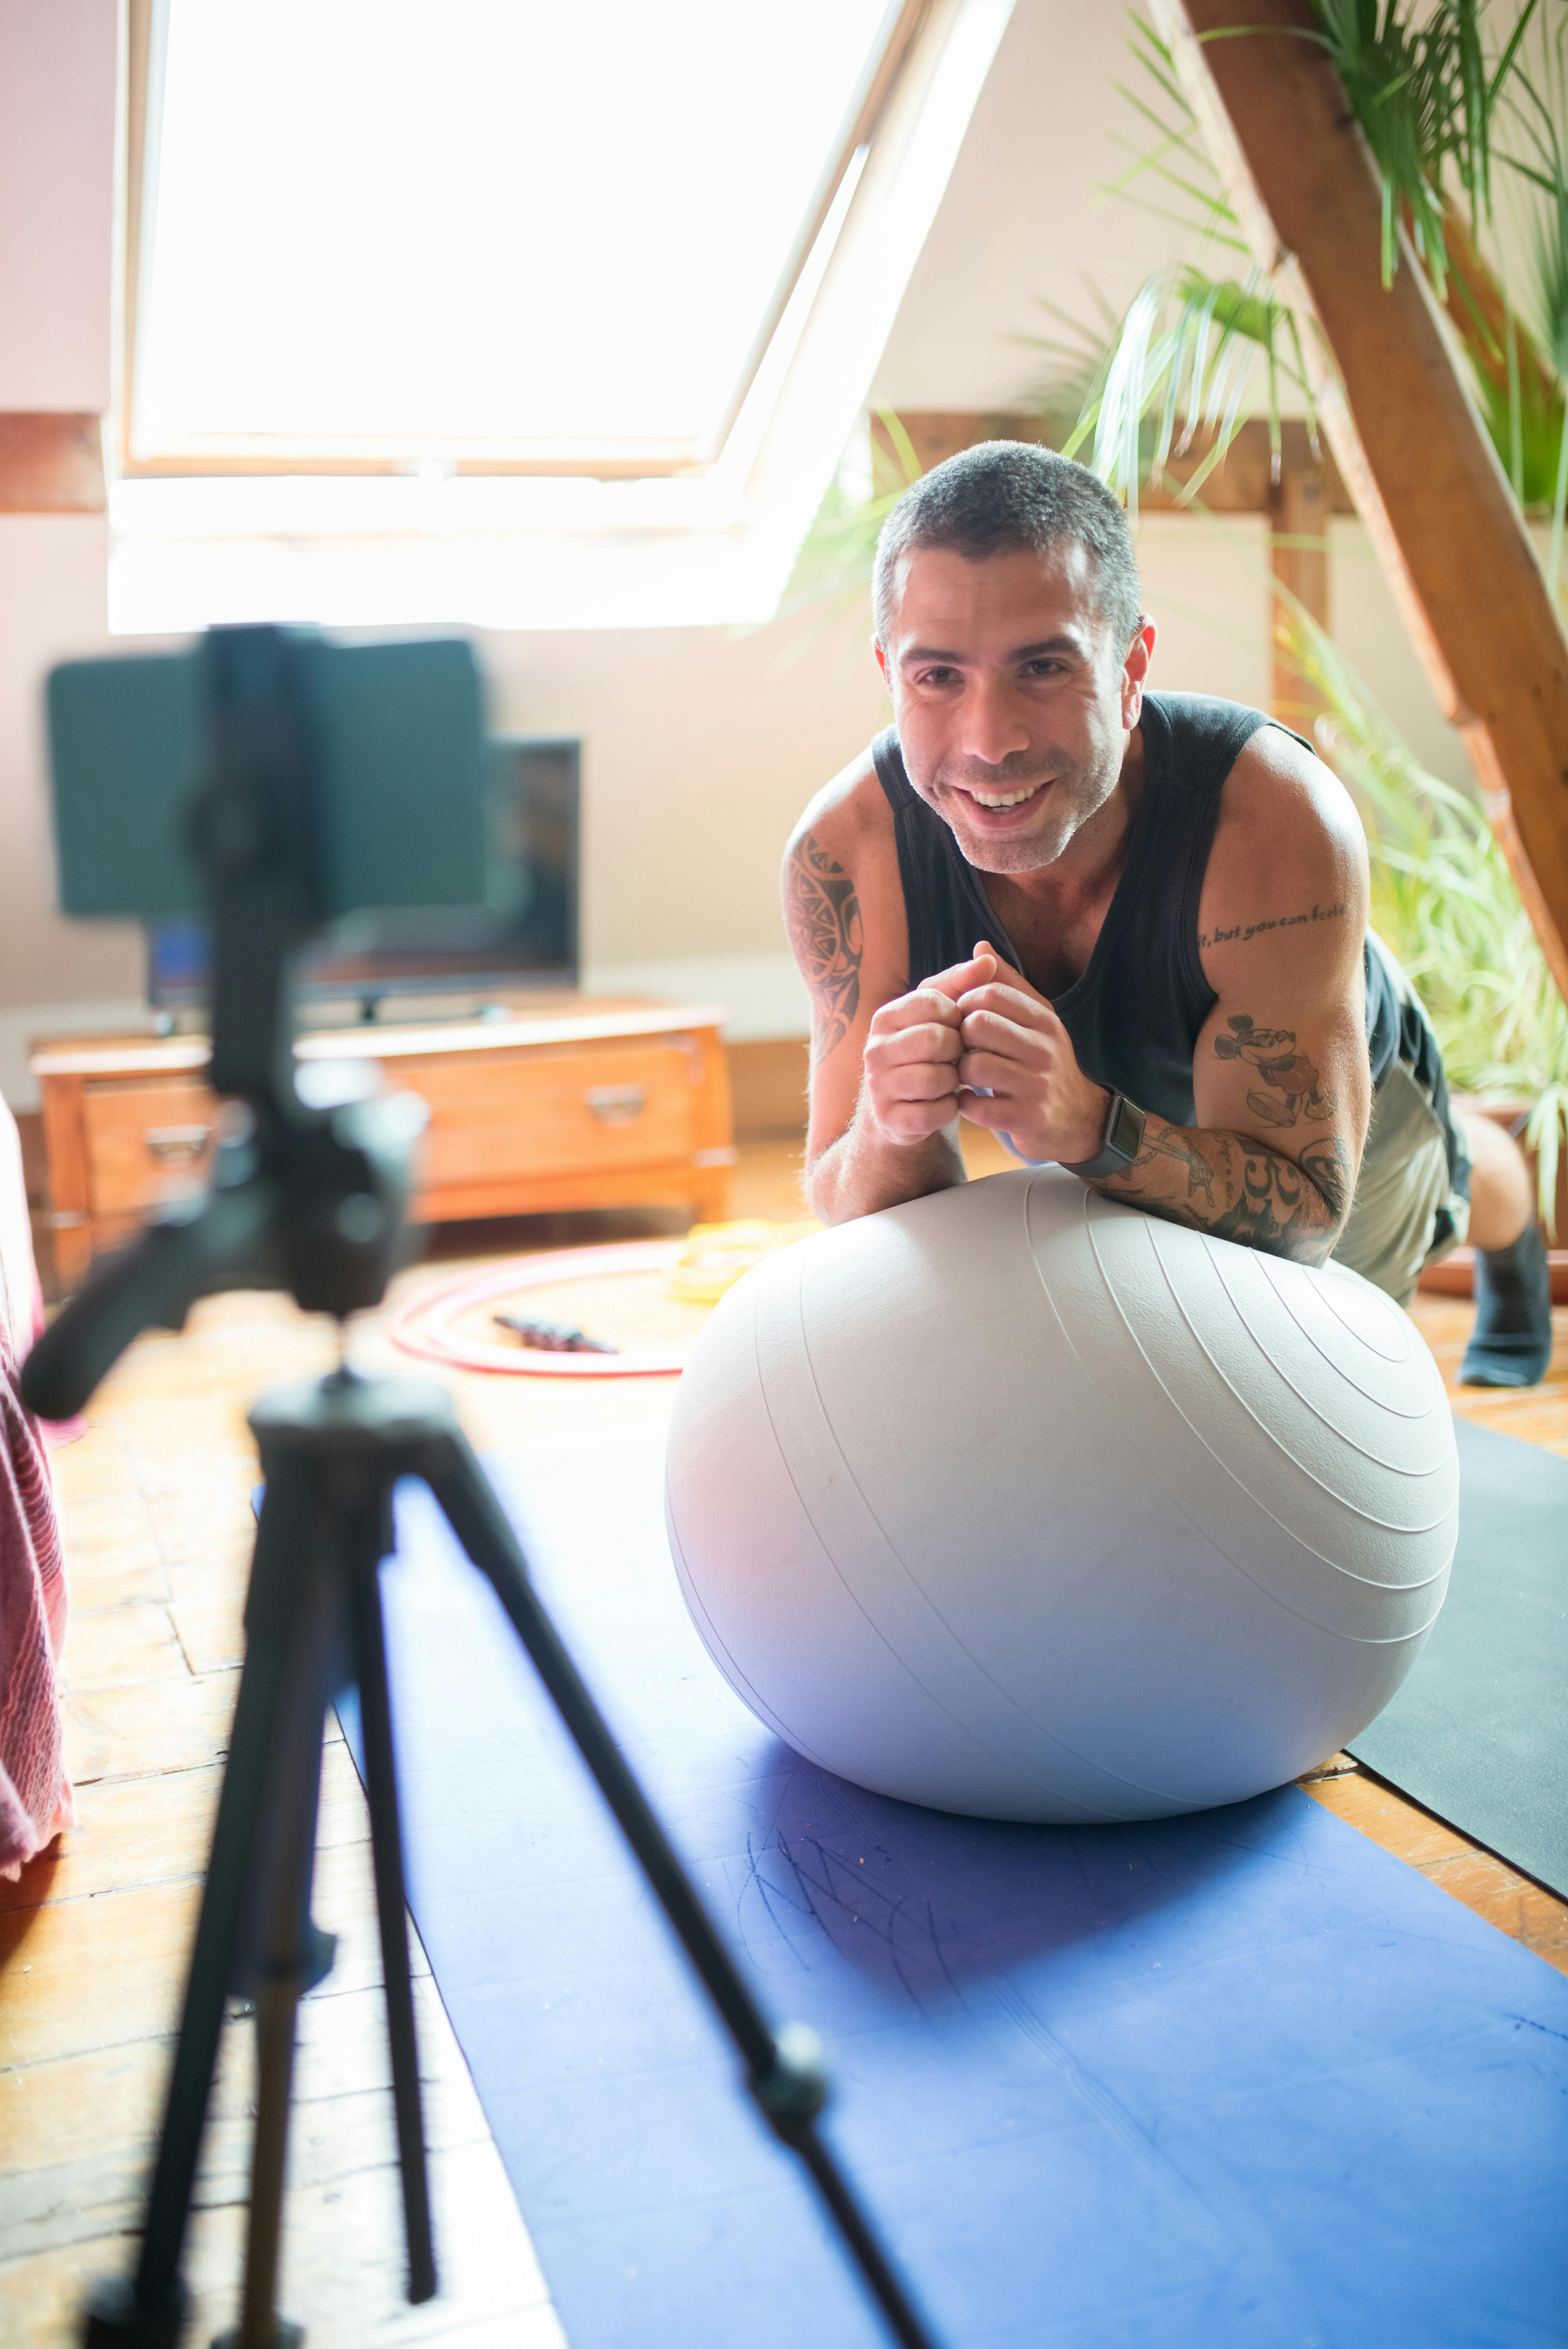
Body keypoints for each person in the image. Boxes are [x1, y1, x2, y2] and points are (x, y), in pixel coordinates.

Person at [783, 441, 1552, 1387]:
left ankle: (1496, 1199)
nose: (989, 743)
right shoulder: (846, 855)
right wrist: (893, 1129)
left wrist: (1091, 1125)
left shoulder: (1273, 817)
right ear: (889, 672)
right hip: (1126, 1091)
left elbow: (1308, 1211)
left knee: (1378, 1268)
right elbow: (842, 1189)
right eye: (937, 676)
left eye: (1042, 668)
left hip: (1329, 1096)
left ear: (1131, 663)